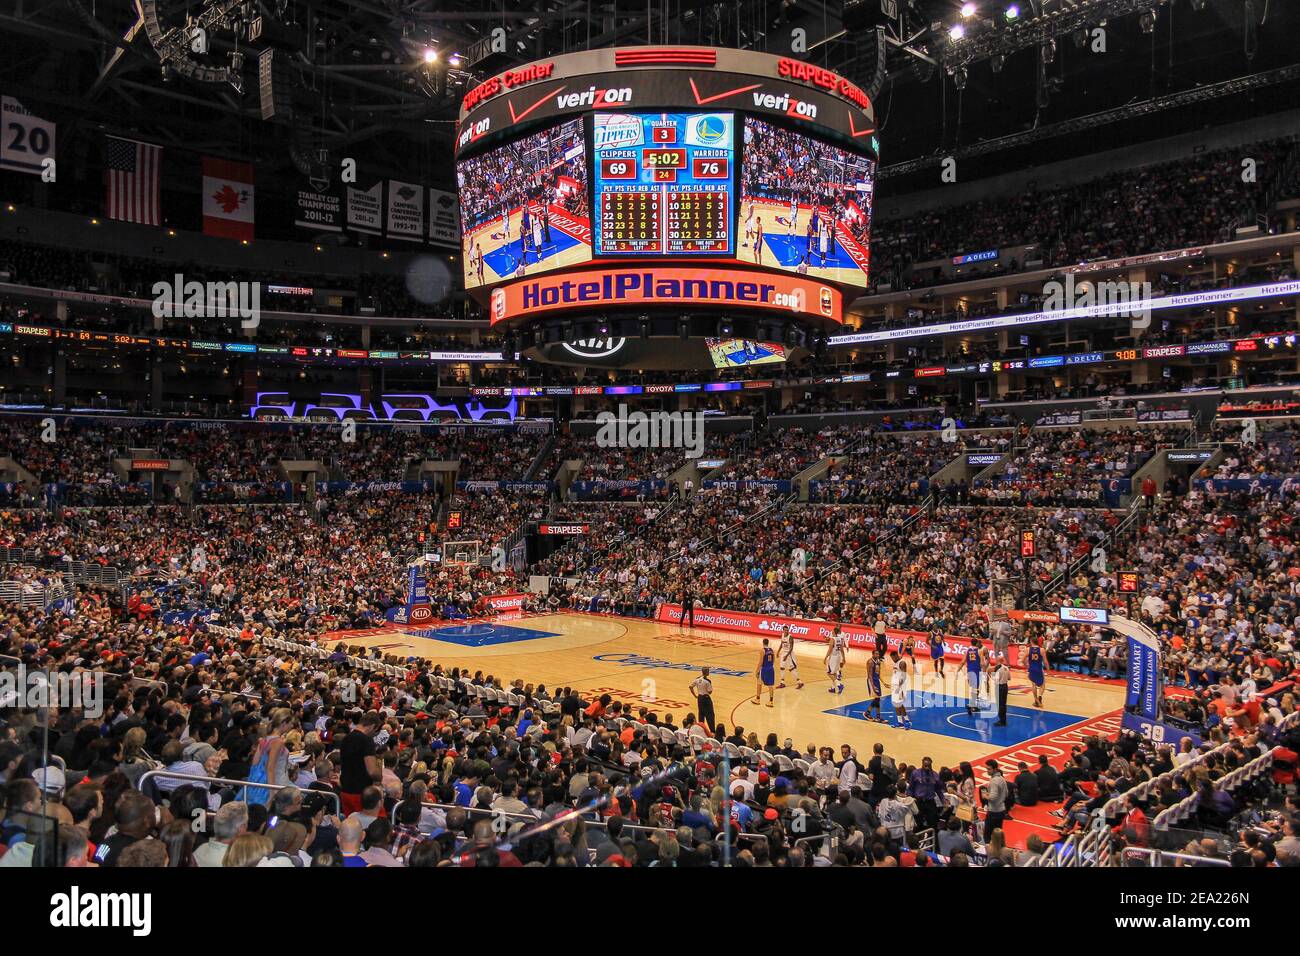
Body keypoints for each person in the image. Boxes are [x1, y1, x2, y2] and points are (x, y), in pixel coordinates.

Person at [339, 712, 382, 817]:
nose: (374, 734)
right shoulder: (367, 740)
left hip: (345, 791)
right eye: (375, 731)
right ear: (372, 726)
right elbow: (371, 771)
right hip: (361, 794)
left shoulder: (346, 738)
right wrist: (379, 775)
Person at [889, 651, 911, 730]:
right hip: (895, 687)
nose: (892, 659)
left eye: (893, 658)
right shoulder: (896, 663)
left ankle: (907, 721)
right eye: (891, 658)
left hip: (900, 687)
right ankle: (900, 722)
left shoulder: (902, 663)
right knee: (896, 704)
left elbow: (904, 676)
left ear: (896, 656)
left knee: (899, 704)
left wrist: (899, 688)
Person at [777, 625, 803, 690]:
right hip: (783, 653)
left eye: (787, 630)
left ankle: (799, 682)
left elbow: (791, 648)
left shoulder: (790, 637)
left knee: (791, 669)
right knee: (782, 667)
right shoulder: (782, 635)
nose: (786, 631)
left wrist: (786, 656)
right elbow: (781, 644)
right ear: (783, 630)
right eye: (785, 630)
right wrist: (778, 651)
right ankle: (782, 683)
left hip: (789, 654)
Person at [824, 625, 848, 695]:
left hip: (833, 657)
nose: (831, 631)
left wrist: (825, 657)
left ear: (834, 631)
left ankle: (839, 685)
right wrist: (843, 658)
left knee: (829, 673)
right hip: (838, 657)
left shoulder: (832, 639)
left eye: (832, 630)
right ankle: (833, 688)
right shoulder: (839, 639)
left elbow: (830, 649)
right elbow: (842, 650)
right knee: (834, 673)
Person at [964, 638, 983, 716]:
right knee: (976, 689)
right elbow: (982, 662)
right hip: (976, 671)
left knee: (973, 689)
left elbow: (963, 661)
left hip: (970, 671)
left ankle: (973, 705)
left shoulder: (967, 650)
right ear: (977, 643)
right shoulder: (979, 651)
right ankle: (971, 705)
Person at [1026, 638, 1047, 708]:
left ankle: (1035, 700)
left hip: (1032, 668)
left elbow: (1022, 660)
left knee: (1033, 684)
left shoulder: (1028, 649)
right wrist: (1048, 668)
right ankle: (1040, 697)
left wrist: (1027, 666)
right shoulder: (1042, 649)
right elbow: (1045, 661)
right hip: (1039, 668)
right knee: (1043, 684)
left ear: (1031, 641)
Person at [754, 640, 776, 707]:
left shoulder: (762, 650)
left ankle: (757, 699)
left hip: (764, 669)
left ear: (763, 643)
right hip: (771, 668)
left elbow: (760, 662)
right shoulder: (772, 650)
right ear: (768, 643)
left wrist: (757, 670)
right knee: (771, 685)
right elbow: (774, 660)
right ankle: (771, 701)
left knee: (759, 683)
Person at [865, 651, 884, 722]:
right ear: (872, 654)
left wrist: (883, 682)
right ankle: (867, 713)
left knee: (878, 699)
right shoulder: (870, 662)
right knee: (877, 698)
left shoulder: (878, 661)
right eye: (876, 654)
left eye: (878, 654)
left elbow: (878, 673)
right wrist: (872, 686)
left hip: (877, 681)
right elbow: (869, 675)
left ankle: (878, 716)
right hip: (871, 681)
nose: (877, 655)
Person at [992, 656, 1011, 726]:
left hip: (999, 687)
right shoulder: (1006, 668)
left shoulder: (997, 669)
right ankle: (1004, 720)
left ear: (997, 660)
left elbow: (996, 680)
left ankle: (1001, 721)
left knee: (1000, 704)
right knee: (1003, 704)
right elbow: (1009, 678)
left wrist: (992, 675)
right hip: (1005, 686)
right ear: (1003, 660)